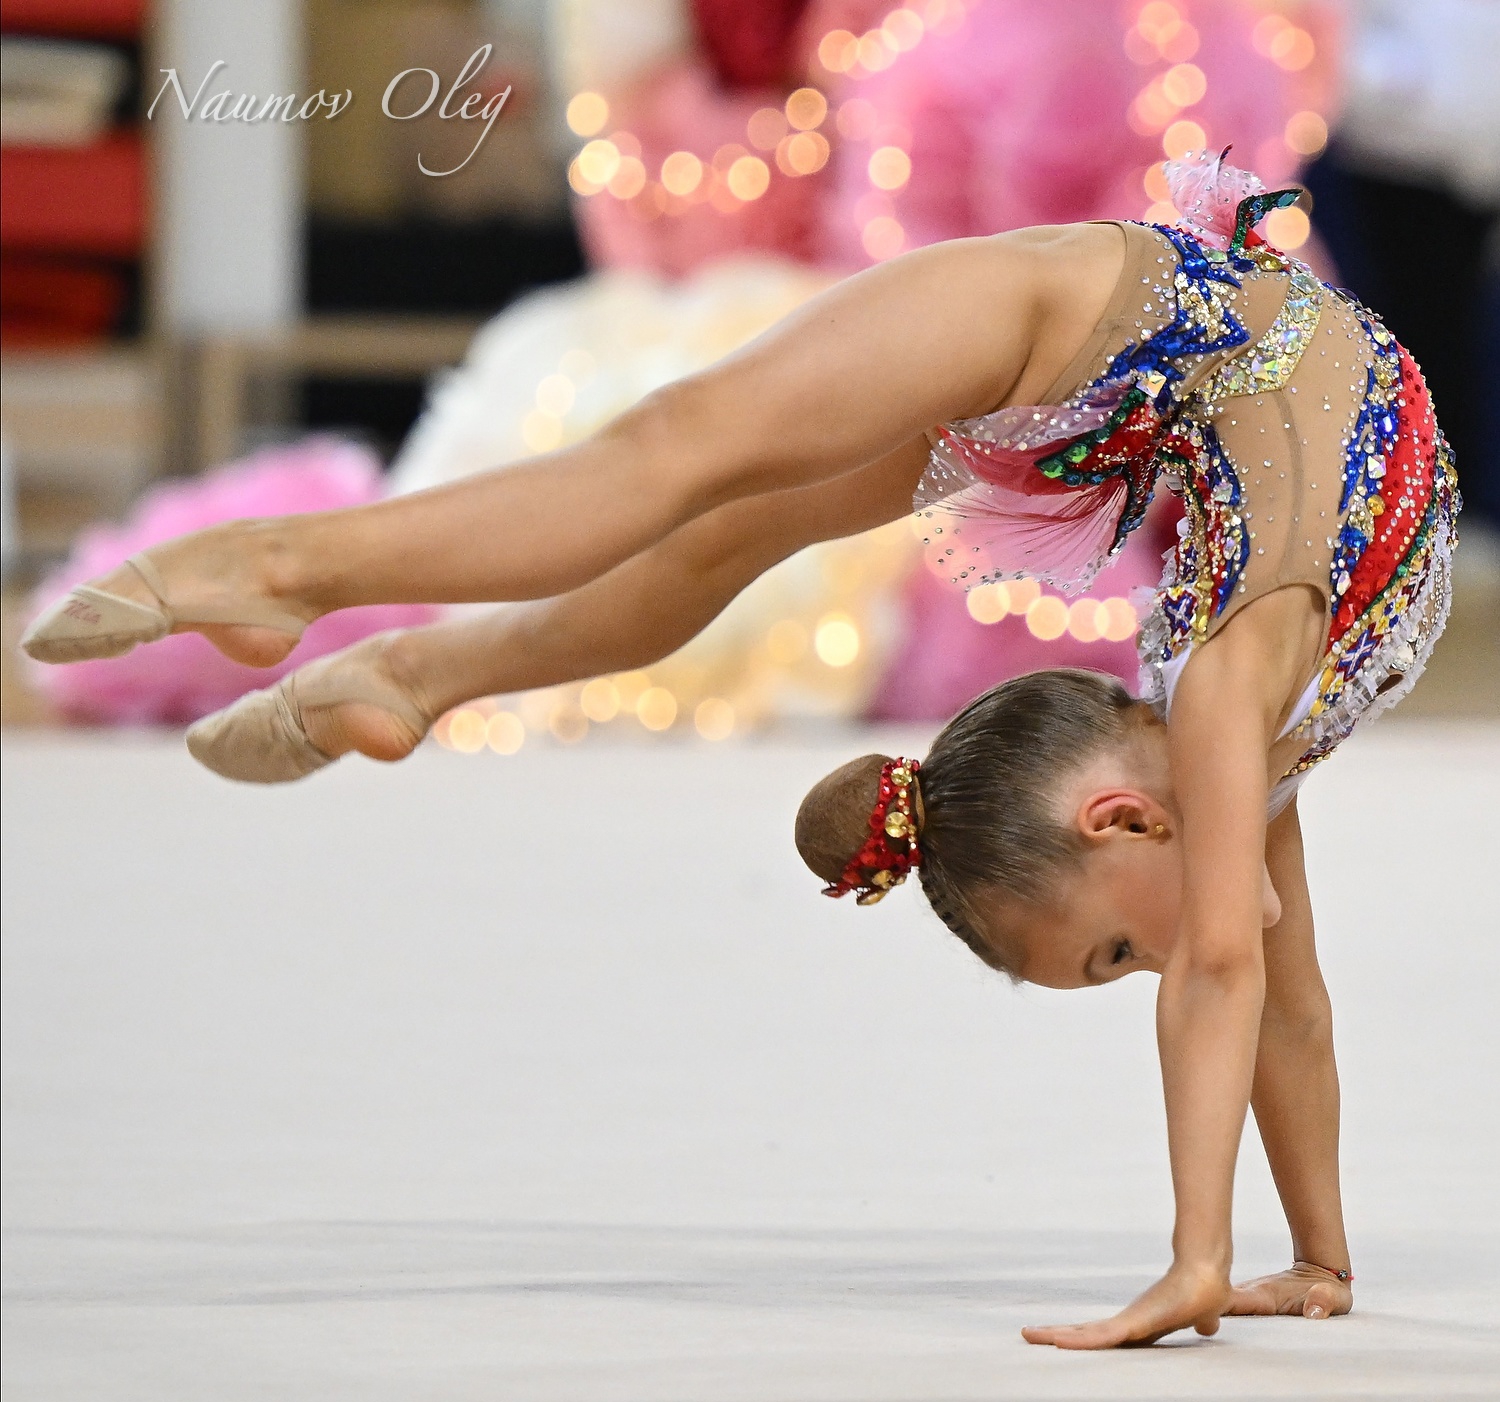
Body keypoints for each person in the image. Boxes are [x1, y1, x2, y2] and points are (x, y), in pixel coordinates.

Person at [21, 151, 1459, 1347]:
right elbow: (1227, 970)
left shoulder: (1225, 731)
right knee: (685, 443)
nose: (1158, 961)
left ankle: (418, 672)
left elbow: (1288, 1003)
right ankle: (289, 569)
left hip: (1159, 405)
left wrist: (1320, 1261)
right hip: (1076, 316)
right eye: (1111, 958)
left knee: (730, 528)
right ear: (1120, 823)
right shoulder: (1222, 705)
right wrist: (1197, 1257)